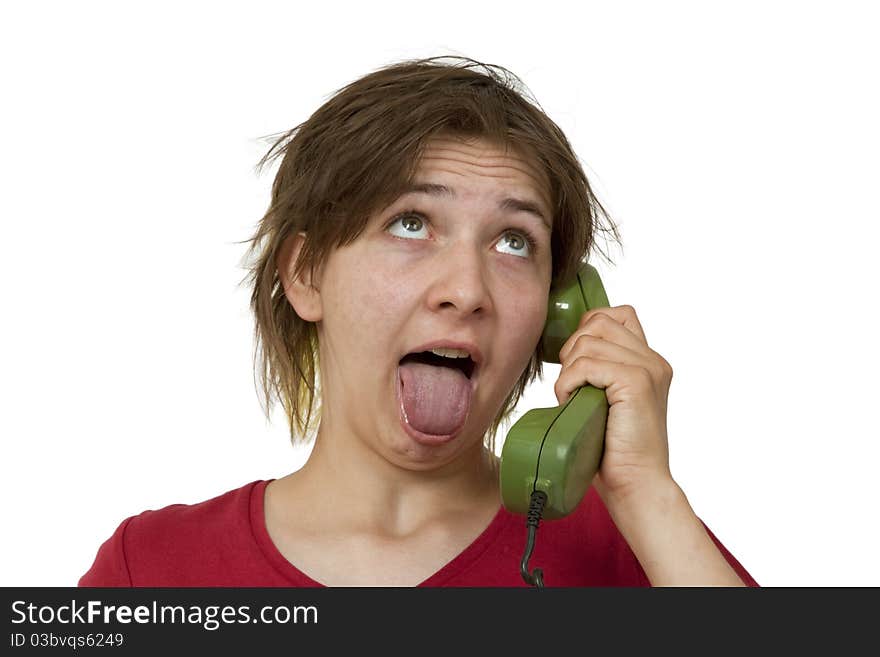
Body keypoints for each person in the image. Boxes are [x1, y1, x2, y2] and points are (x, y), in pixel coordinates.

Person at [79, 56, 758, 587]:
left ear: (559, 313)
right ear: (306, 272)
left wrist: (647, 494)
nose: (466, 290)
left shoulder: (638, 544)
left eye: (514, 241)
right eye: (411, 224)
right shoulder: (152, 568)